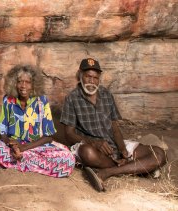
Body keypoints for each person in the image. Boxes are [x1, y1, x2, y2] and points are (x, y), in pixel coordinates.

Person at [60, 58, 167, 191]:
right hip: (93, 148)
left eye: (95, 78)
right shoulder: (71, 98)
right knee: (86, 153)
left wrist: (123, 150)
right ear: (80, 75)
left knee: (159, 153)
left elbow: (115, 128)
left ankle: (107, 172)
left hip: (113, 145)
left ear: (99, 78)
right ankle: (136, 168)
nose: (92, 81)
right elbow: (69, 134)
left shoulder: (106, 95)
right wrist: (94, 142)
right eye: (88, 77)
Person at [0, 65, 75, 178]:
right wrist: (12, 146)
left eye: (28, 82)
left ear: (34, 85)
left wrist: (24, 148)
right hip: (12, 147)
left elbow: (48, 137)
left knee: (68, 159)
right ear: (14, 83)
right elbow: (2, 131)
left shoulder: (41, 101)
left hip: (36, 147)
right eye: (20, 81)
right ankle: (23, 160)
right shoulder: (8, 100)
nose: (23, 86)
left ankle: (18, 161)